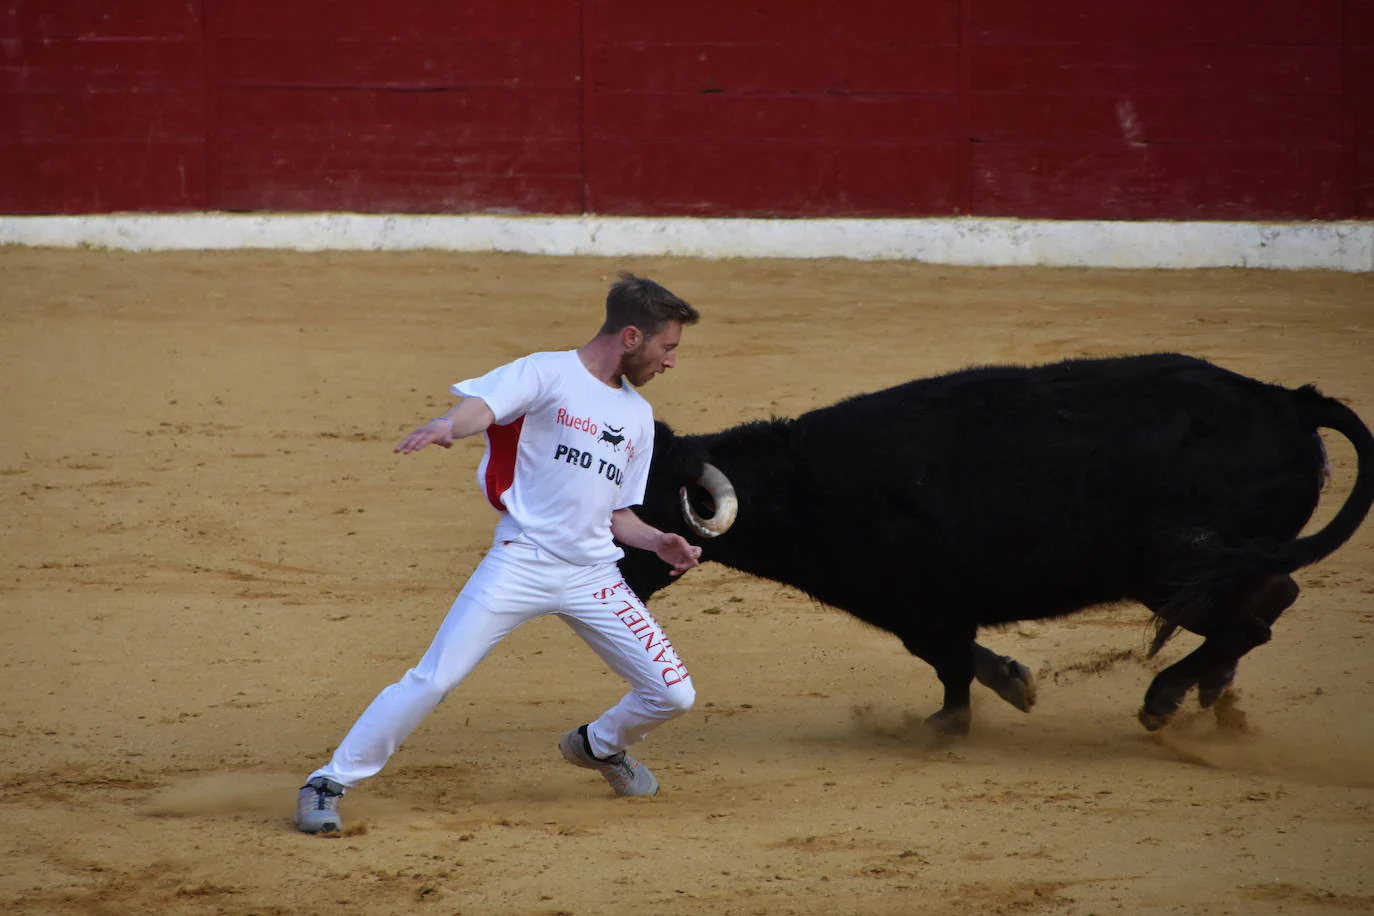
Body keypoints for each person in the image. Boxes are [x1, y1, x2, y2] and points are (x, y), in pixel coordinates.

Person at [294, 272, 703, 834]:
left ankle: (598, 746)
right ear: (631, 337)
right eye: (668, 347)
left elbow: (617, 515)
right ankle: (330, 781)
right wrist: (446, 425)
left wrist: (657, 540)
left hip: (593, 575)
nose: (671, 362)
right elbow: (482, 409)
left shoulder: (636, 418)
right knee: (434, 678)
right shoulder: (545, 371)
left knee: (674, 694)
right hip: (521, 560)